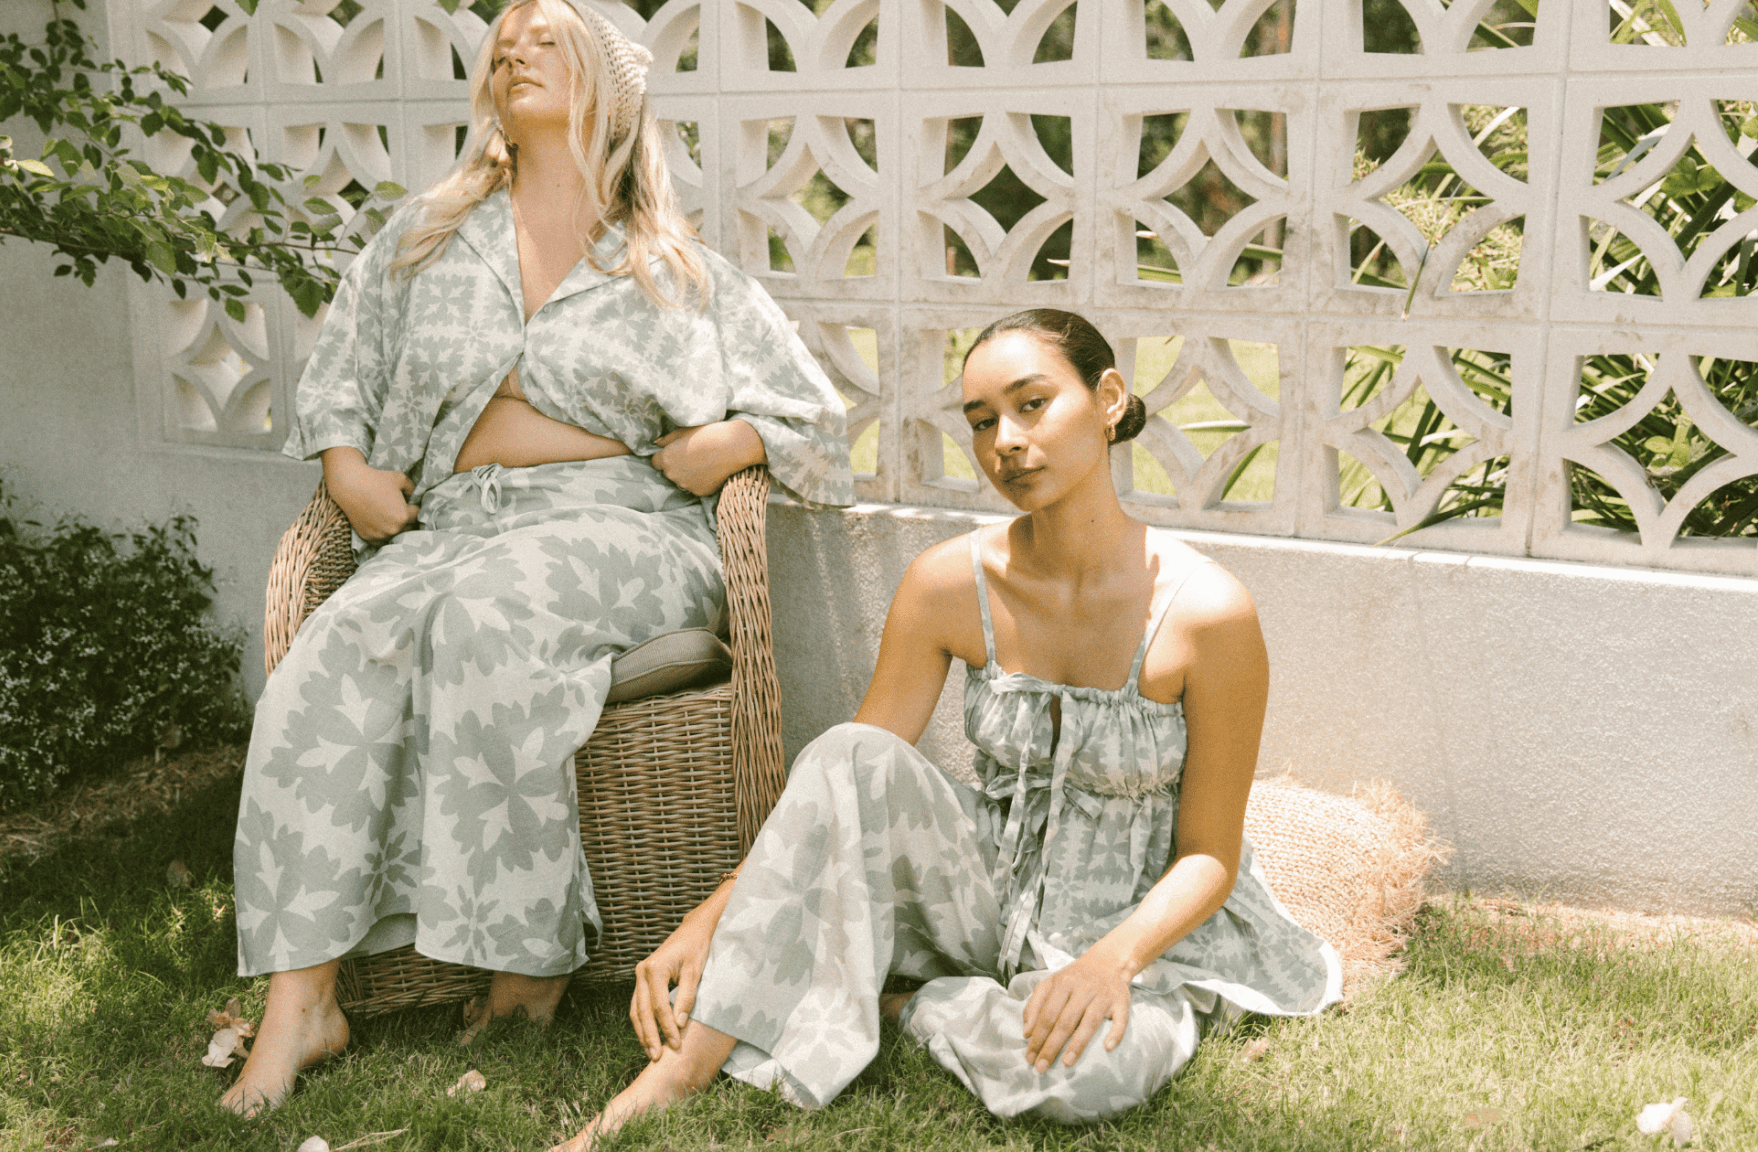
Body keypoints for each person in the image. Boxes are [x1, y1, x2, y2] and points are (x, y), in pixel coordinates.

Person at [221, 0, 851, 1116]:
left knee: (494, 614)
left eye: (542, 39)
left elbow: (813, 418)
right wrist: (342, 467)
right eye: (499, 45)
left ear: (608, 84)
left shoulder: (671, 266)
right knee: (331, 651)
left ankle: (525, 973)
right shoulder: (422, 239)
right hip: (455, 524)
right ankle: (299, 1003)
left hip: (626, 525)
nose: (511, 50)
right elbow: (342, 373)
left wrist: (730, 441)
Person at [558, 309, 1338, 1147]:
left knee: (1086, 1077)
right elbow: (842, 787)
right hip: (985, 894)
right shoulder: (947, 583)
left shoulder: (1208, 613)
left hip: (1133, 929)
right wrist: (708, 918)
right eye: (981, 421)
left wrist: (1108, 964)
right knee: (851, 747)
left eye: (1032, 405)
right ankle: (680, 1070)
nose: (1006, 439)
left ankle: (908, 1003)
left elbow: (1210, 855)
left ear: (1109, 398)